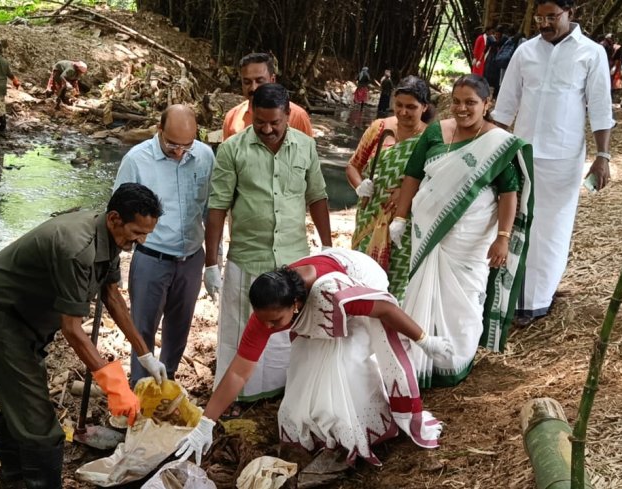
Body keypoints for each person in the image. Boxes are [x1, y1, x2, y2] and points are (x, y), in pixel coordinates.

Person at [0, 183, 169, 488]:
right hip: (2, 312)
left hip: (29, 314)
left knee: (21, 399)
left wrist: (145, 354)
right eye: (137, 232)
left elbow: (111, 296)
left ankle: (13, 479)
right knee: (40, 424)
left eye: (147, 232)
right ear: (114, 218)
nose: (142, 240)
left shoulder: (111, 237)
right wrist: (114, 385)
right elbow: (72, 329)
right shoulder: (77, 248)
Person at [175, 248, 451, 466]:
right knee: (305, 369)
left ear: (295, 305)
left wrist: (425, 340)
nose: (269, 328)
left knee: (343, 367)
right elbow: (239, 371)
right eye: (264, 322)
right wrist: (206, 423)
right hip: (319, 292)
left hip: (358, 279)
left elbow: (386, 310)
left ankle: (359, 435)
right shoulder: (267, 313)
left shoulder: (334, 294)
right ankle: (319, 436)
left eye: (275, 322)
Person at [389, 74, 533, 387]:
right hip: (427, 232)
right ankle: (418, 359)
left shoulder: (497, 143)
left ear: (487, 103)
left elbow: (509, 193)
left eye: (471, 102)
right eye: (456, 101)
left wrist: (503, 238)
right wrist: (399, 218)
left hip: (471, 238)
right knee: (420, 291)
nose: (462, 108)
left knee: (465, 300)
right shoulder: (437, 132)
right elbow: (413, 176)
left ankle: (454, 363)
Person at [205, 83, 332, 405]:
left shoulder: (305, 146)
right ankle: (238, 398)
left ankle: (279, 393)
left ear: (289, 115)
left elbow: (316, 196)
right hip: (248, 257)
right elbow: (218, 206)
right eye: (259, 122)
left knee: (286, 333)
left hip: (293, 258)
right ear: (250, 116)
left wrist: (329, 248)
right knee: (239, 331)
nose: (267, 129)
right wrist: (211, 262)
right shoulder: (232, 149)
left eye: (275, 122)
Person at [491, 0, 614, 326]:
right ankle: (507, 297)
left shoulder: (591, 52)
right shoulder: (525, 52)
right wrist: (493, 151)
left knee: (551, 230)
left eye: (552, 17)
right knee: (515, 223)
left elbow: (601, 108)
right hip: (521, 152)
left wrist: (602, 156)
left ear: (570, 12)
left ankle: (536, 302)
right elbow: (505, 107)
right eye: (540, 17)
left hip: (563, 157)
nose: (545, 23)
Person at [112, 105, 214, 386]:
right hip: (151, 257)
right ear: (159, 131)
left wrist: (213, 262)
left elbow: (209, 206)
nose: (180, 152)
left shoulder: (204, 156)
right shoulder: (137, 160)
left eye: (186, 145)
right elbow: (116, 213)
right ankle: (141, 390)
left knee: (179, 328)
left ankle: (165, 383)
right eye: (172, 144)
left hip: (191, 256)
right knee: (142, 328)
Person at [346, 76, 432, 301]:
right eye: (399, 105)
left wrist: (407, 192)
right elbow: (353, 166)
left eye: (411, 107)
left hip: (403, 224)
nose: (403, 112)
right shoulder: (380, 128)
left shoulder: (430, 140)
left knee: (395, 287)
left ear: (424, 107)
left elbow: (435, 183)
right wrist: (359, 186)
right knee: (361, 278)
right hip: (369, 216)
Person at [222, 52, 313, 140]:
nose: (253, 88)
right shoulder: (232, 117)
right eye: (247, 82)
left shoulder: (297, 116)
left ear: (272, 80)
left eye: (259, 81)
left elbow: (307, 152)